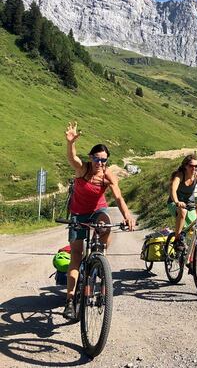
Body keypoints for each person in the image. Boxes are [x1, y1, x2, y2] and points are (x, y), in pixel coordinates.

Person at [63, 121, 135, 319]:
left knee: (105, 224)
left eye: (104, 160)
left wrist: (127, 215)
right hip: (78, 213)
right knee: (76, 255)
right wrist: (70, 143)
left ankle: (99, 258)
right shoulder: (83, 170)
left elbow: (119, 197)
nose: (100, 163)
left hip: (97, 211)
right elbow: (72, 157)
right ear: (91, 158)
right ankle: (69, 300)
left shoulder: (108, 176)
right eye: (97, 159)